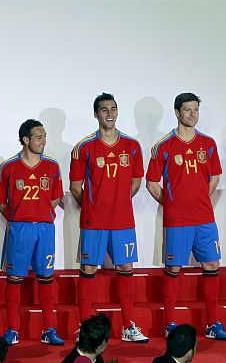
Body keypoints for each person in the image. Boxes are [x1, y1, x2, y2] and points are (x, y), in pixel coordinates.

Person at [146, 93, 226, 340]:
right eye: (187, 110)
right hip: (177, 221)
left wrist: (200, 198)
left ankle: (213, 323)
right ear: (177, 113)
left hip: (205, 218)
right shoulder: (163, 146)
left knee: (212, 265)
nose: (192, 115)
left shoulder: (209, 143)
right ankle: (170, 322)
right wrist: (172, 204)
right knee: (173, 267)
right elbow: (151, 183)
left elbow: (215, 177)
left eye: (196, 110)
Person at [70, 93, 148, 342]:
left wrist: (120, 201)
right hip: (94, 222)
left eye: (113, 109)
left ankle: (128, 326)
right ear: (96, 114)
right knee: (89, 267)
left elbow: (136, 181)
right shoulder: (84, 147)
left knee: (126, 267)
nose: (110, 114)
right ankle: (84, 327)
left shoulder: (132, 146)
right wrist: (93, 207)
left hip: (123, 220)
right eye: (104, 110)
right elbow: (75, 186)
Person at [0, 119, 65, 346]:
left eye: (45, 137)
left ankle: (48, 330)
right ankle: (12, 330)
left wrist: (40, 214)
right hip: (20, 229)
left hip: (44, 229)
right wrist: (18, 218)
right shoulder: (8, 167)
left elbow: (55, 197)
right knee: (14, 279)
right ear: (26, 139)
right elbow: (0, 201)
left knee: (46, 278)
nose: (44, 141)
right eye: (39, 137)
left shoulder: (52, 166)